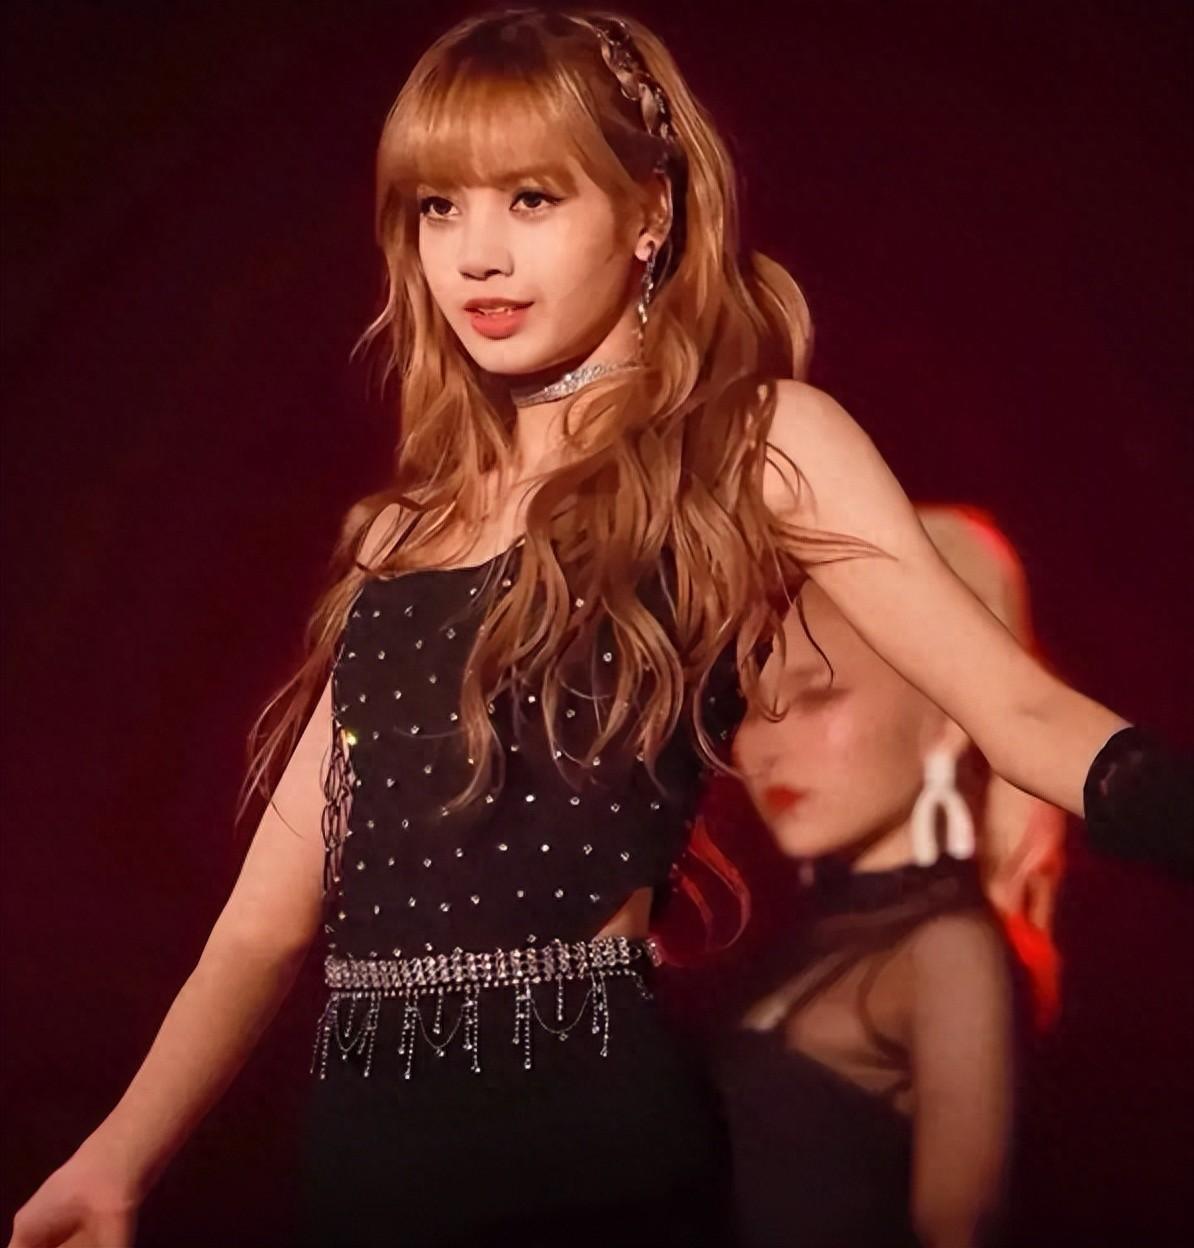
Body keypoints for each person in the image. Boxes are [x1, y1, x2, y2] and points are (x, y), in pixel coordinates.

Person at [5, 10, 1157, 1248]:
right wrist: (117, 1162)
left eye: (531, 198)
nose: (477, 256)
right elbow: (264, 923)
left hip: (585, 1149)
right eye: (439, 207)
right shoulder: (407, 533)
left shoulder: (755, 442)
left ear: (648, 213)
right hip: (360, 1166)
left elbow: (1018, 711)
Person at [717, 505, 1062, 1248]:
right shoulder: (808, 939)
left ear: (947, 717)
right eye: (751, 706)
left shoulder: (948, 952)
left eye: (818, 695)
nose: (766, 747)